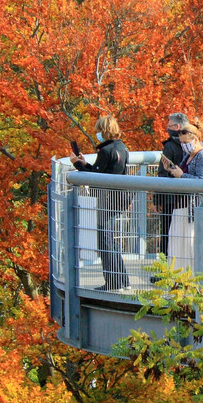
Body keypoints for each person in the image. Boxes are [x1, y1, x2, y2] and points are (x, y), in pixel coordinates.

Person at [69, 115, 131, 291]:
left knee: (105, 240)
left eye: (98, 131)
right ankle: (122, 279)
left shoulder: (106, 151)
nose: (97, 135)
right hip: (119, 198)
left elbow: (95, 177)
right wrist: (85, 163)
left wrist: (77, 165)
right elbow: (100, 171)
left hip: (107, 199)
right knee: (111, 239)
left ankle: (112, 282)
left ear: (104, 131)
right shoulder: (121, 147)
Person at [160, 118, 203, 276]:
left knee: (192, 247)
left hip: (196, 212)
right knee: (180, 247)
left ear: (195, 139)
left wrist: (182, 176)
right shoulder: (187, 156)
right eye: (181, 143)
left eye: (185, 142)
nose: (183, 146)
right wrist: (172, 169)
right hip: (183, 208)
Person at [149, 113, 190, 255]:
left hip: (169, 198)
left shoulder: (170, 147)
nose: (167, 128)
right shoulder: (193, 147)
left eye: (169, 125)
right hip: (187, 199)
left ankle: (166, 267)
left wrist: (158, 199)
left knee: (167, 232)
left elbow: (162, 175)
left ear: (177, 127)